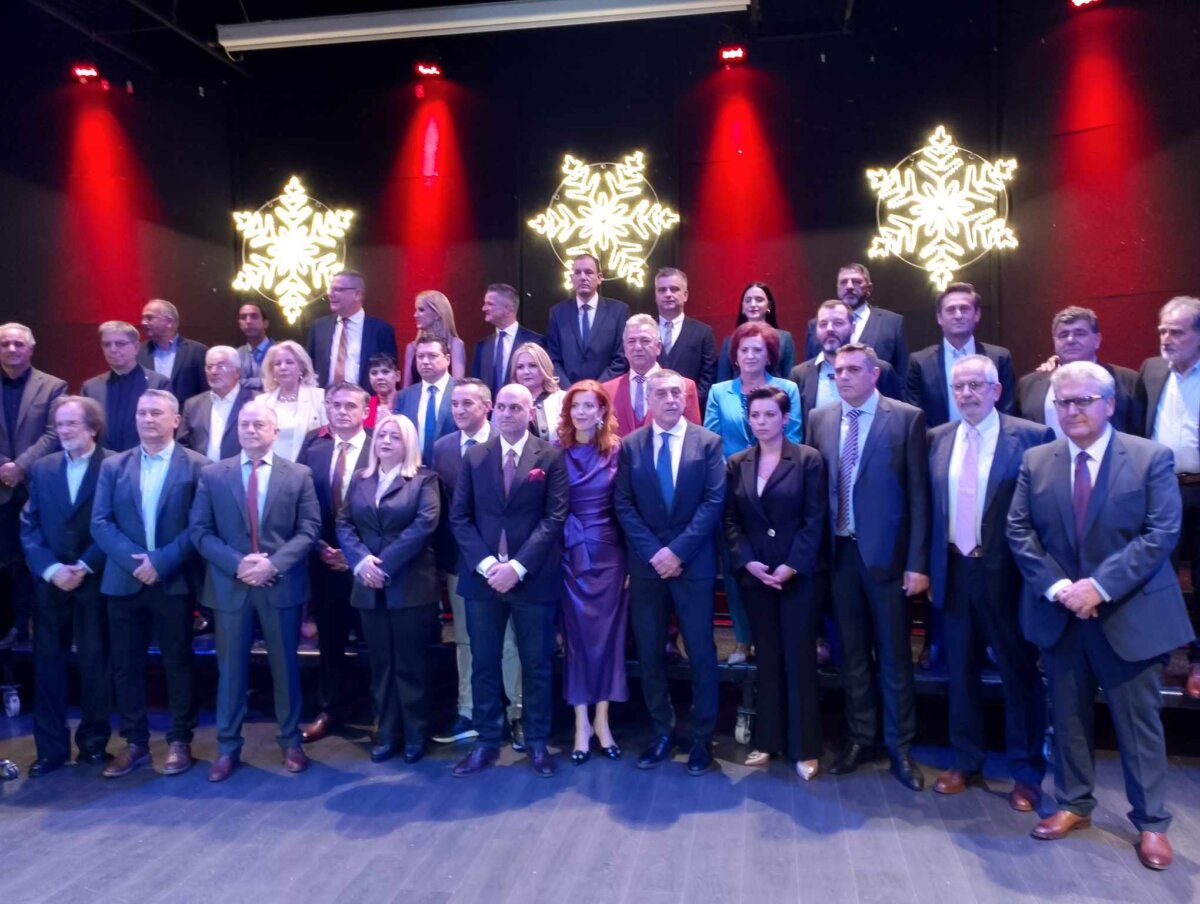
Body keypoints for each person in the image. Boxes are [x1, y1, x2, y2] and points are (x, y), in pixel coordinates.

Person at [1008, 360, 1193, 871]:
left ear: (1109, 404)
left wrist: (1100, 587)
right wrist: (1060, 587)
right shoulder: (1037, 460)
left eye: (1083, 400)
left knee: (1139, 727)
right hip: (1061, 614)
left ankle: (1152, 822)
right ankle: (1074, 804)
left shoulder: (1150, 456)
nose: (1072, 410)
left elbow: (1160, 534)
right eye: (1063, 402)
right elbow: (1020, 531)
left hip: (1129, 615)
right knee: (1066, 718)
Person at [927, 355, 1053, 809]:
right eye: (959, 386)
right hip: (955, 569)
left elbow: (1044, 514)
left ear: (996, 390)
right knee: (959, 671)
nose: (967, 394)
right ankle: (966, 759)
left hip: (1009, 575)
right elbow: (930, 510)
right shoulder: (936, 439)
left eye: (976, 385)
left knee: (1019, 673)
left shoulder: (1033, 437)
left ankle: (1026, 773)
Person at [806, 343, 929, 791]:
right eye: (838, 370)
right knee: (852, 655)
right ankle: (861, 738)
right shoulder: (820, 419)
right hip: (839, 555)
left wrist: (917, 562)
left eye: (853, 369)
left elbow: (920, 497)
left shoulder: (906, 418)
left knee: (894, 656)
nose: (843, 376)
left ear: (874, 374)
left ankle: (900, 746)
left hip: (889, 559)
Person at [189, 401, 321, 782]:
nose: (250, 430)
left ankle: (291, 742)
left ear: (274, 432)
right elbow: (200, 531)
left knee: (285, 667)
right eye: (244, 424)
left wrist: (272, 565)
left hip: (280, 584)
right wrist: (239, 564)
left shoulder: (298, 475)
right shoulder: (213, 474)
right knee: (230, 670)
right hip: (230, 586)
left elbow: (309, 530)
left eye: (259, 424)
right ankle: (227, 747)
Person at [448, 383, 568, 778]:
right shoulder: (475, 456)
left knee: (537, 665)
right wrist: (487, 566)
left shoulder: (549, 457)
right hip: (482, 580)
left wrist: (516, 567)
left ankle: (537, 741)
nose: (506, 413)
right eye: (501, 407)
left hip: (532, 578)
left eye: (515, 407)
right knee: (483, 663)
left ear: (531, 412)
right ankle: (486, 742)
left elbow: (554, 518)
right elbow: (460, 517)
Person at [91, 389, 209, 778]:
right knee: (125, 665)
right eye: (142, 412)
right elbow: (101, 522)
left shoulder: (198, 466)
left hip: (173, 579)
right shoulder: (114, 466)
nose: (147, 419)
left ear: (176, 420)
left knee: (178, 662)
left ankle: (180, 740)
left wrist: (161, 561)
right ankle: (135, 743)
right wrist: (135, 562)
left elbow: (199, 526)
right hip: (124, 581)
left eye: (156, 413)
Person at [614, 370, 725, 776]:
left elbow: (714, 501)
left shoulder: (707, 442)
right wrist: (655, 553)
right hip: (647, 566)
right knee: (649, 651)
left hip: (692, 563)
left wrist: (676, 551)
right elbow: (623, 504)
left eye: (677, 392)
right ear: (649, 400)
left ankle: (702, 738)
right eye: (661, 393)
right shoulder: (631, 445)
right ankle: (662, 731)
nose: (670, 399)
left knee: (701, 651)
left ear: (686, 397)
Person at [723, 386, 825, 779]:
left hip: (797, 577)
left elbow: (814, 519)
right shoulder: (738, 463)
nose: (762, 422)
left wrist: (792, 565)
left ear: (785, 418)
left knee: (799, 659)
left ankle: (805, 747)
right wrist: (747, 562)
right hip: (756, 577)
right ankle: (768, 741)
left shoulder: (808, 459)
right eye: (755, 415)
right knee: (767, 658)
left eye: (769, 415)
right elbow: (731, 520)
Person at [337, 413, 440, 764]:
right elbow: (344, 524)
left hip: (410, 586)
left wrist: (383, 565)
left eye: (395, 437)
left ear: (408, 443)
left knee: (410, 664)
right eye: (381, 435)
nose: (385, 441)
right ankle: (386, 731)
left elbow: (424, 525)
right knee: (381, 665)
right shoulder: (361, 479)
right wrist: (361, 562)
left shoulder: (424, 479)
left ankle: (415, 733)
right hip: (368, 586)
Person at [19, 396, 111, 776]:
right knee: (48, 668)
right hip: (51, 583)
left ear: (93, 428)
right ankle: (50, 750)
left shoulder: (114, 465)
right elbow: (29, 525)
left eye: (72, 423)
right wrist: (51, 568)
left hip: (94, 581)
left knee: (95, 666)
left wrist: (85, 565)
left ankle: (93, 745)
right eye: (59, 424)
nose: (64, 430)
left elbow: (117, 522)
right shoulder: (42, 468)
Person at [430, 380, 525, 747]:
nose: (458, 410)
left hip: (510, 563)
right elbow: (447, 511)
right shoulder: (443, 447)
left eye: (467, 403)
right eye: (454, 403)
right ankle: (469, 711)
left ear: (488, 406)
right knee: (466, 641)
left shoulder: (510, 441)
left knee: (510, 641)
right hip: (464, 561)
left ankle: (517, 712)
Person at [704, 321, 802, 664]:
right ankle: (743, 641)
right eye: (744, 349)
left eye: (757, 349)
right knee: (738, 566)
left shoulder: (787, 389)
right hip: (734, 490)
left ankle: (772, 638)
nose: (750, 355)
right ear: (734, 356)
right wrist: (736, 477)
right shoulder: (720, 392)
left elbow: (795, 437)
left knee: (776, 561)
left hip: (778, 492)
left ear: (769, 355)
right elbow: (712, 442)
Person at [297, 382, 373, 745]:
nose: (341, 411)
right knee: (330, 641)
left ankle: (380, 711)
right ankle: (329, 709)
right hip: (324, 560)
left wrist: (354, 554)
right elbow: (301, 503)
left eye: (350, 406)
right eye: (336, 405)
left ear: (365, 412)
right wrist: (319, 546)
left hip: (368, 562)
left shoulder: (380, 445)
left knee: (375, 640)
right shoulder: (314, 448)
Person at [557, 380, 627, 764]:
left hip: (610, 556)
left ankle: (603, 721)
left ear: (602, 411)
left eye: (589, 406)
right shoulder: (555, 452)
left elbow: (628, 508)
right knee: (577, 641)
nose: (581, 412)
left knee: (608, 640)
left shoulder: (618, 451)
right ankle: (580, 723)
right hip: (570, 555)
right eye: (575, 406)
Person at [1137, 295, 1200, 698]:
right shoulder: (1152, 369)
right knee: (1156, 578)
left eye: (1176, 332)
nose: (1166, 338)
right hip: (1161, 490)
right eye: (1162, 330)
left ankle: (1197, 662)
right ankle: (1155, 657)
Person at [0, 322, 66, 649]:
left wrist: (20, 466)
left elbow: (55, 433)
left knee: (37, 562)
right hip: (0, 488)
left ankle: (40, 628)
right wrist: (4, 466)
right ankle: (9, 627)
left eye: (18, 344)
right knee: (4, 565)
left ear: (31, 348)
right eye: (5, 344)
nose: (12, 349)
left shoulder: (53, 386)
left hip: (37, 487)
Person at [1015, 305, 1141, 437]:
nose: (1070, 340)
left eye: (1079, 333)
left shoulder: (1127, 381)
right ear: (1054, 341)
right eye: (1063, 335)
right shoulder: (1028, 386)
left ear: (1097, 340)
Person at [904, 282, 1016, 428]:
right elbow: (916, 417)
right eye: (950, 310)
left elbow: (1008, 409)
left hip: (991, 439)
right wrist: (939, 440)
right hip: (937, 441)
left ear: (977, 314)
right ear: (939, 317)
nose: (958, 315)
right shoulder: (920, 362)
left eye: (964, 309)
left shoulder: (999, 358)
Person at [789, 300, 903, 423]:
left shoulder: (880, 370)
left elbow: (896, 419)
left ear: (853, 327)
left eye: (838, 323)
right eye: (823, 324)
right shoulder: (800, 375)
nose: (829, 329)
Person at [602, 314, 701, 437]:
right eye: (631, 341)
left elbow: (694, 438)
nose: (638, 347)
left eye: (645, 341)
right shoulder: (607, 390)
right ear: (625, 349)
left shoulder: (684, 386)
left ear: (658, 347)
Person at [81, 321, 172, 453]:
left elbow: (164, 427)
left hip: (143, 458)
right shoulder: (91, 387)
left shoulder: (158, 383)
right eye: (107, 344)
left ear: (136, 347)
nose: (112, 349)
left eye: (120, 344)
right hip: (101, 460)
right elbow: (86, 429)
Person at [802, 263, 908, 376]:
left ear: (869, 288)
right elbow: (810, 370)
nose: (849, 287)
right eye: (843, 282)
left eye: (856, 282)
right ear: (837, 288)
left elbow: (902, 373)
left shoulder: (891, 323)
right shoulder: (816, 325)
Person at [305, 270, 399, 388]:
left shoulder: (381, 331)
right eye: (330, 289)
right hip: (324, 397)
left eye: (338, 289)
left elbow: (390, 373)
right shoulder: (319, 327)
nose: (330, 294)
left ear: (357, 294)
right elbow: (308, 368)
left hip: (365, 397)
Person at [546, 253, 629, 386]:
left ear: (599, 278)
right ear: (572, 278)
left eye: (588, 272)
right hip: (567, 393)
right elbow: (553, 358)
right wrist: (570, 390)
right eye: (577, 273)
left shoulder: (618, 311)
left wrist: (596, 389)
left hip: (606, 392)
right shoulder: (558, 313)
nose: (583, 277)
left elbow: (621, 358)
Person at [177, 346, 257, 463]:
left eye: (221, 366)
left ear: (237, 372)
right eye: (209, 367)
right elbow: (182, 445)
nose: (214, 372)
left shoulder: (256, 401)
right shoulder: (193, 404)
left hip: (241, 471)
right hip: (200, 472)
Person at [653, 267, 717, 408]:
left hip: (691, 411)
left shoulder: (703, 332)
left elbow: (708, 378)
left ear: (685, 295)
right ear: (655, 296)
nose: (668, 294)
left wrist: (686, 405)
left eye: (674, 289)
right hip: (651, 412)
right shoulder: (645, 332)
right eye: (662, 290)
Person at [256, 340, 327, 461]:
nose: (283, 367)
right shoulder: (261, 402)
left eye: (289, 362)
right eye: (277, 364)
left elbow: (327, 439)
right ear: (272, 370)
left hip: (307, 466)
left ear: (301, 368)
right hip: (270, 467)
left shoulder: (319, 397)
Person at [471, 283, 544, 398]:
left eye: (490, 304)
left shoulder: (536, 342)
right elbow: (476, 386)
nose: (484, 308)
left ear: (508, 309)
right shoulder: (482, 346)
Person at [395, 334, 458, 464]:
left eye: (432, 356)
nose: (425, 361)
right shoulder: (405, 396)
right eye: (420, 356)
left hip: (452, 469)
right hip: (412, 469)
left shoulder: (461, 392)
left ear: (447, 359)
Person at [717, 282, 797, 383]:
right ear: (742, 307)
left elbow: (790, 379)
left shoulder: (784, 339)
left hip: (775, 392)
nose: (753, 304)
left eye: (759, 300)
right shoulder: (730, 341)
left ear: (769, 306)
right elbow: (722, 381)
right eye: (748, 300)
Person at [136, 298, 208, 403]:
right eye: (142, 318)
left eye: (149, 318)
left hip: (186, 412)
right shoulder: (138, 352)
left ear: (169, 321)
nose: (143, 323)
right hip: (149, 412)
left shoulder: (197, 351)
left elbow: (206, 392)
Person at [401, 290, 467, 388]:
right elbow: (406, 389)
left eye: (421, 310)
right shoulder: (412, 348)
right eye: (416, 310)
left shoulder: (455, 345)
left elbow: (458, 387)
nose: (415, 315)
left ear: (437, 314)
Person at [509, 342, 565, 444]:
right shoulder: (506, 400)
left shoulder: (562, 399)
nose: (526, 372)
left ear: (544, 367)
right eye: (520, 367)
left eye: (532, 365)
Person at [236, 302, 274, 391]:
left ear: (265, 323)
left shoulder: (281, 352)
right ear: (239, 324)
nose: (248, 321)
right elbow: (230, 383)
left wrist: (243, 382)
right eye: (243, 317)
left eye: (254, 316)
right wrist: (263, 381)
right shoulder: (235, 354)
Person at [364, 352, 400, 428]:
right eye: (374, 373)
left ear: (397, 376)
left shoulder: (407, 403)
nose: (379, 377)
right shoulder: (365, 405)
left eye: (385, 372)